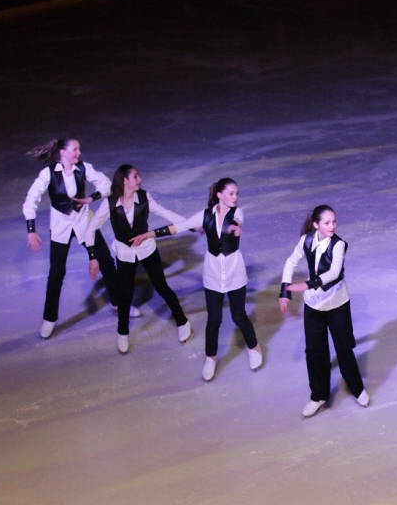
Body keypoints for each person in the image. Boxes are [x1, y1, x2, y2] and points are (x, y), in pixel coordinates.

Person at [134, 178, 261, 380]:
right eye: (231, 193)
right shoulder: (205, 215)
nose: (235, 197)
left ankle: (254, 347)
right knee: (214, 319)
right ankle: (210, 358)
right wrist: (150, 234)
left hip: (234, 272)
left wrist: (235, 227)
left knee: (238, 315)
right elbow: (180, 226)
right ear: (219, 195)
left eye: (237, 193)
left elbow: (238, 220)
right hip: (212, 275)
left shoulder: (237, 212)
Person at [22, 137, 137, 338]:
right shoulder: (48, 174)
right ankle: (49, 318)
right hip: (60, 226)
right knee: (56, 273)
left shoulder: (84, 168)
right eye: (75, 149)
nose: (79, 153)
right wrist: (31, 230)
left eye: (79, 149)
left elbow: (107, 185)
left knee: (106, 262)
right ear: (63, 153)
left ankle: (118, 303)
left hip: (84, 223)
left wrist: (91, 198)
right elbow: (31, 200)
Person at [86, 165, 192, 353]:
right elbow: (91, 228)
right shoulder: (109, 203)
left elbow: (165, 212)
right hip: (124, 254)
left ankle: (183, 322)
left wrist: (190, 224)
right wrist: (93, 257)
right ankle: (122, 332)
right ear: (125, 180)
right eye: (135, 176)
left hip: (147, 249)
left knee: (162, 287)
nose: (140, 179)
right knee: (125, 295)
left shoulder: (144, 197)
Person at [279, 205, 369, 417]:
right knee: (314, 351)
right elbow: (291, 262)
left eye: (334, 222)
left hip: (337, 304)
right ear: (316, 224)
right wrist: (284, 291)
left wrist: (307, 284)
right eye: (327, 223)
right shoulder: (306, 240)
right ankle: (318, 395)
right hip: (313, 305)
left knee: (344, 349)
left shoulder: (338, 245)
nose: (332, 226)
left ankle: (357, 388)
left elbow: (335, 272)